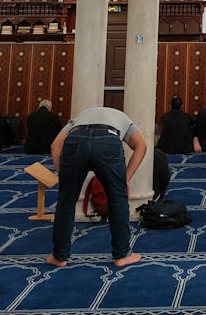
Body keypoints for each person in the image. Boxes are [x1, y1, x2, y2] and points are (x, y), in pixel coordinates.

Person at [47, 106, 147, 268]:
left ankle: (59, 256)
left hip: (76, 140)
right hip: (108, 140)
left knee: (66, 201)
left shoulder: (80, 117)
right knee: (117, 199)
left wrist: (63, 175)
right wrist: (125, 179)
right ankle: (122, 254)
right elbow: (141, 146)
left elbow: (55, 145)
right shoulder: (123, 118)